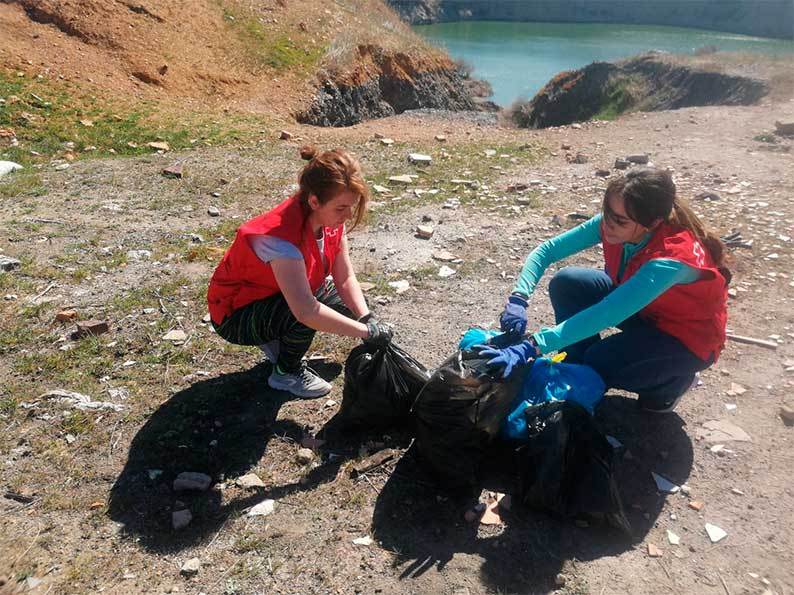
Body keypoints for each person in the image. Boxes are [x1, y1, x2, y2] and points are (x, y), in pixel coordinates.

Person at [477, 167, 730, 413]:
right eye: (606, 212)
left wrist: (532, 346)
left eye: (619, 221)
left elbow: (608, 313)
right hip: (649, 311)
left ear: (651, 223)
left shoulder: (670, 258)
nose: (607, 225)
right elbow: (547, 251)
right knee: (568, 283)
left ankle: (672, 384)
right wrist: (518, 298)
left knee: (600, 360)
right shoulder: (619, 222)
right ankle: (576, 369)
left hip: (687, 338)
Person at [207, 146, 393, 398]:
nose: (348, 216)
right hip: (234, 314)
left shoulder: (329, 220)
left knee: (352, 308)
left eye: (352, 206)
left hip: (272, 294)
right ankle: (285, 372)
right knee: (301, 316)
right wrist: (366, 333)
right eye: (341, 208)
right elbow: (306, 310)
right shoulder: (280, 240)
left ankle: (276, 335)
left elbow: (345, 278)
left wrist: (366, 319)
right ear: (314, 201)